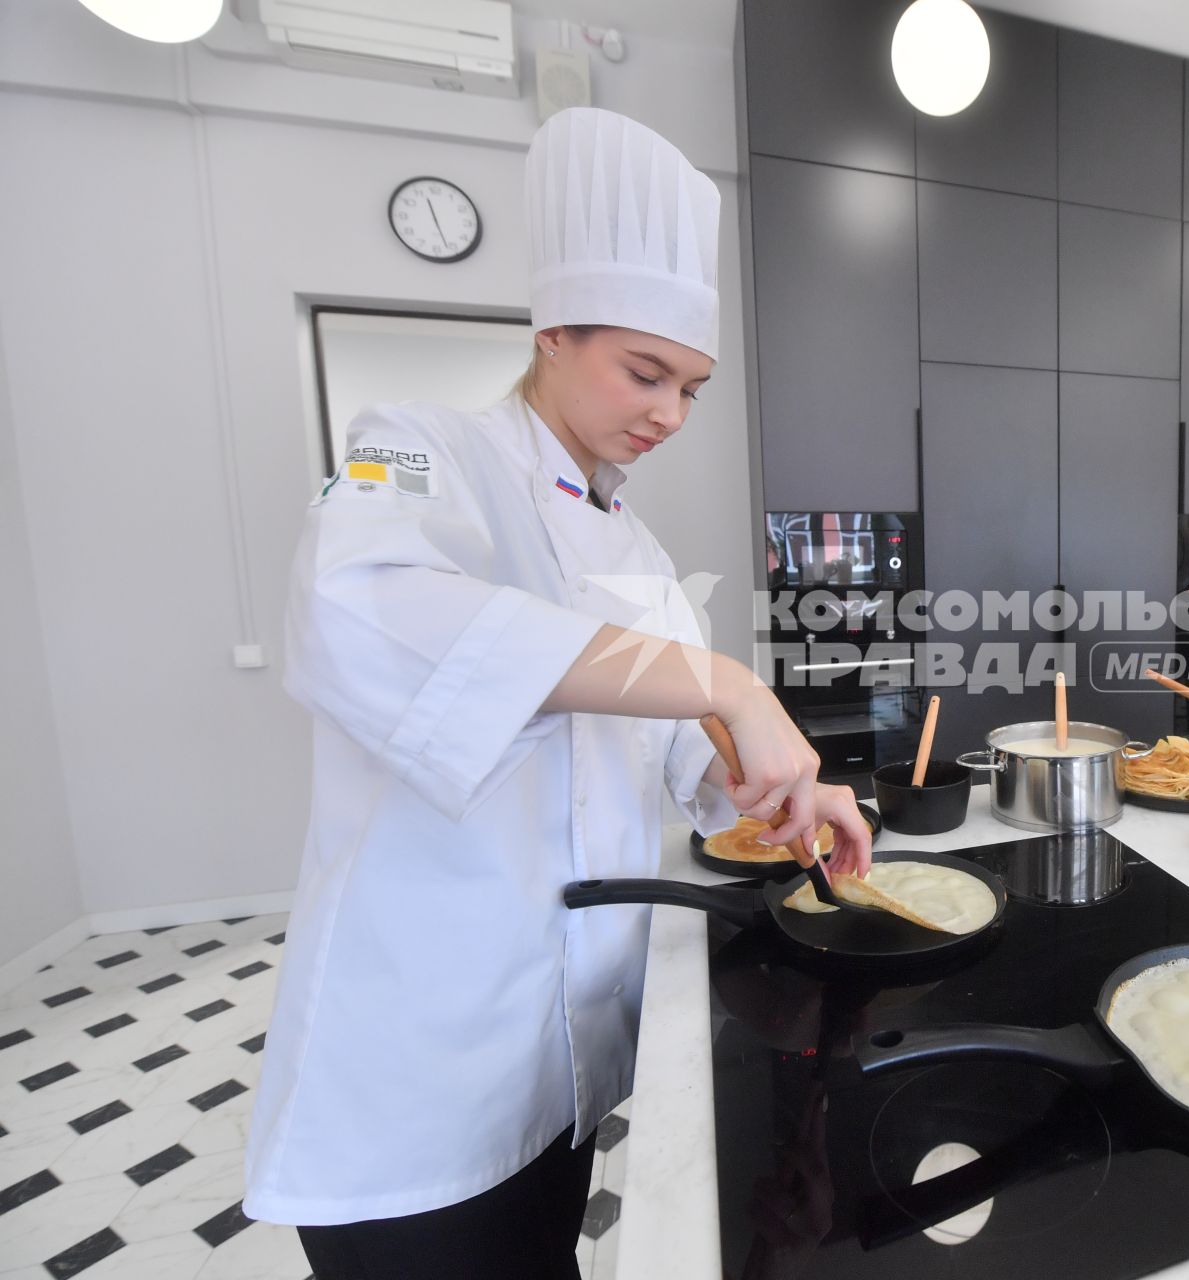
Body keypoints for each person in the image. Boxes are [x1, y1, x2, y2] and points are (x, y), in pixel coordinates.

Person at [242, 108, 871, 1279]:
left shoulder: (631, 542)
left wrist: (789, 792)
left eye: (691, 385)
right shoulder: (413, 447)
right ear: (551, 331)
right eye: (645, 372)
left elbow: (697, 768)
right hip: (423, 1071)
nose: (670, 414)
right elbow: (352, 609)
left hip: (566, 1056)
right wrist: (724, 681)